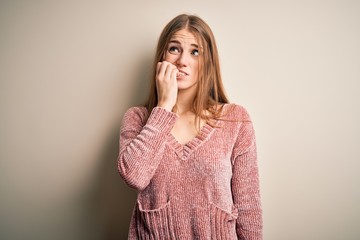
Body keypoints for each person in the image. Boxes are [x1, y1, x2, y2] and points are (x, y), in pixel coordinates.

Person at [117, 14, 262, 239]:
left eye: (195, 51)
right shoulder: (137, 118)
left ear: (208, 62)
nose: (182, 60)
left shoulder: (236, 120)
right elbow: (134, 176)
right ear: (162, 57)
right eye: (174, 49)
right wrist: (164, 107)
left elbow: (248, 211)